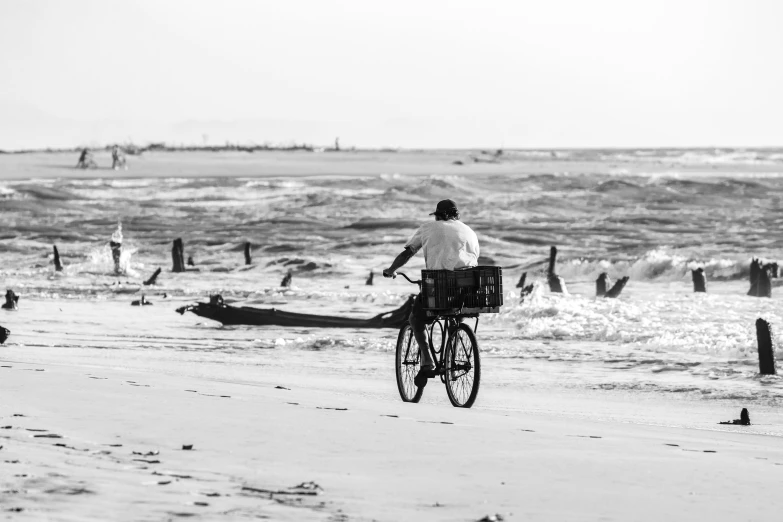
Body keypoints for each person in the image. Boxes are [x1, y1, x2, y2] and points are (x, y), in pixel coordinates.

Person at [383, 199, 479, 388]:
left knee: (416, 320)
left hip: (439, 286)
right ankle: (453, 351)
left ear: (438, 215)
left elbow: (407, 253)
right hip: (468, 288)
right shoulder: (468, 231)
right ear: (456, 215)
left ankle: (427, 361)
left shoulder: (428, 228)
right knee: (456, 314)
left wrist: (391, 269)